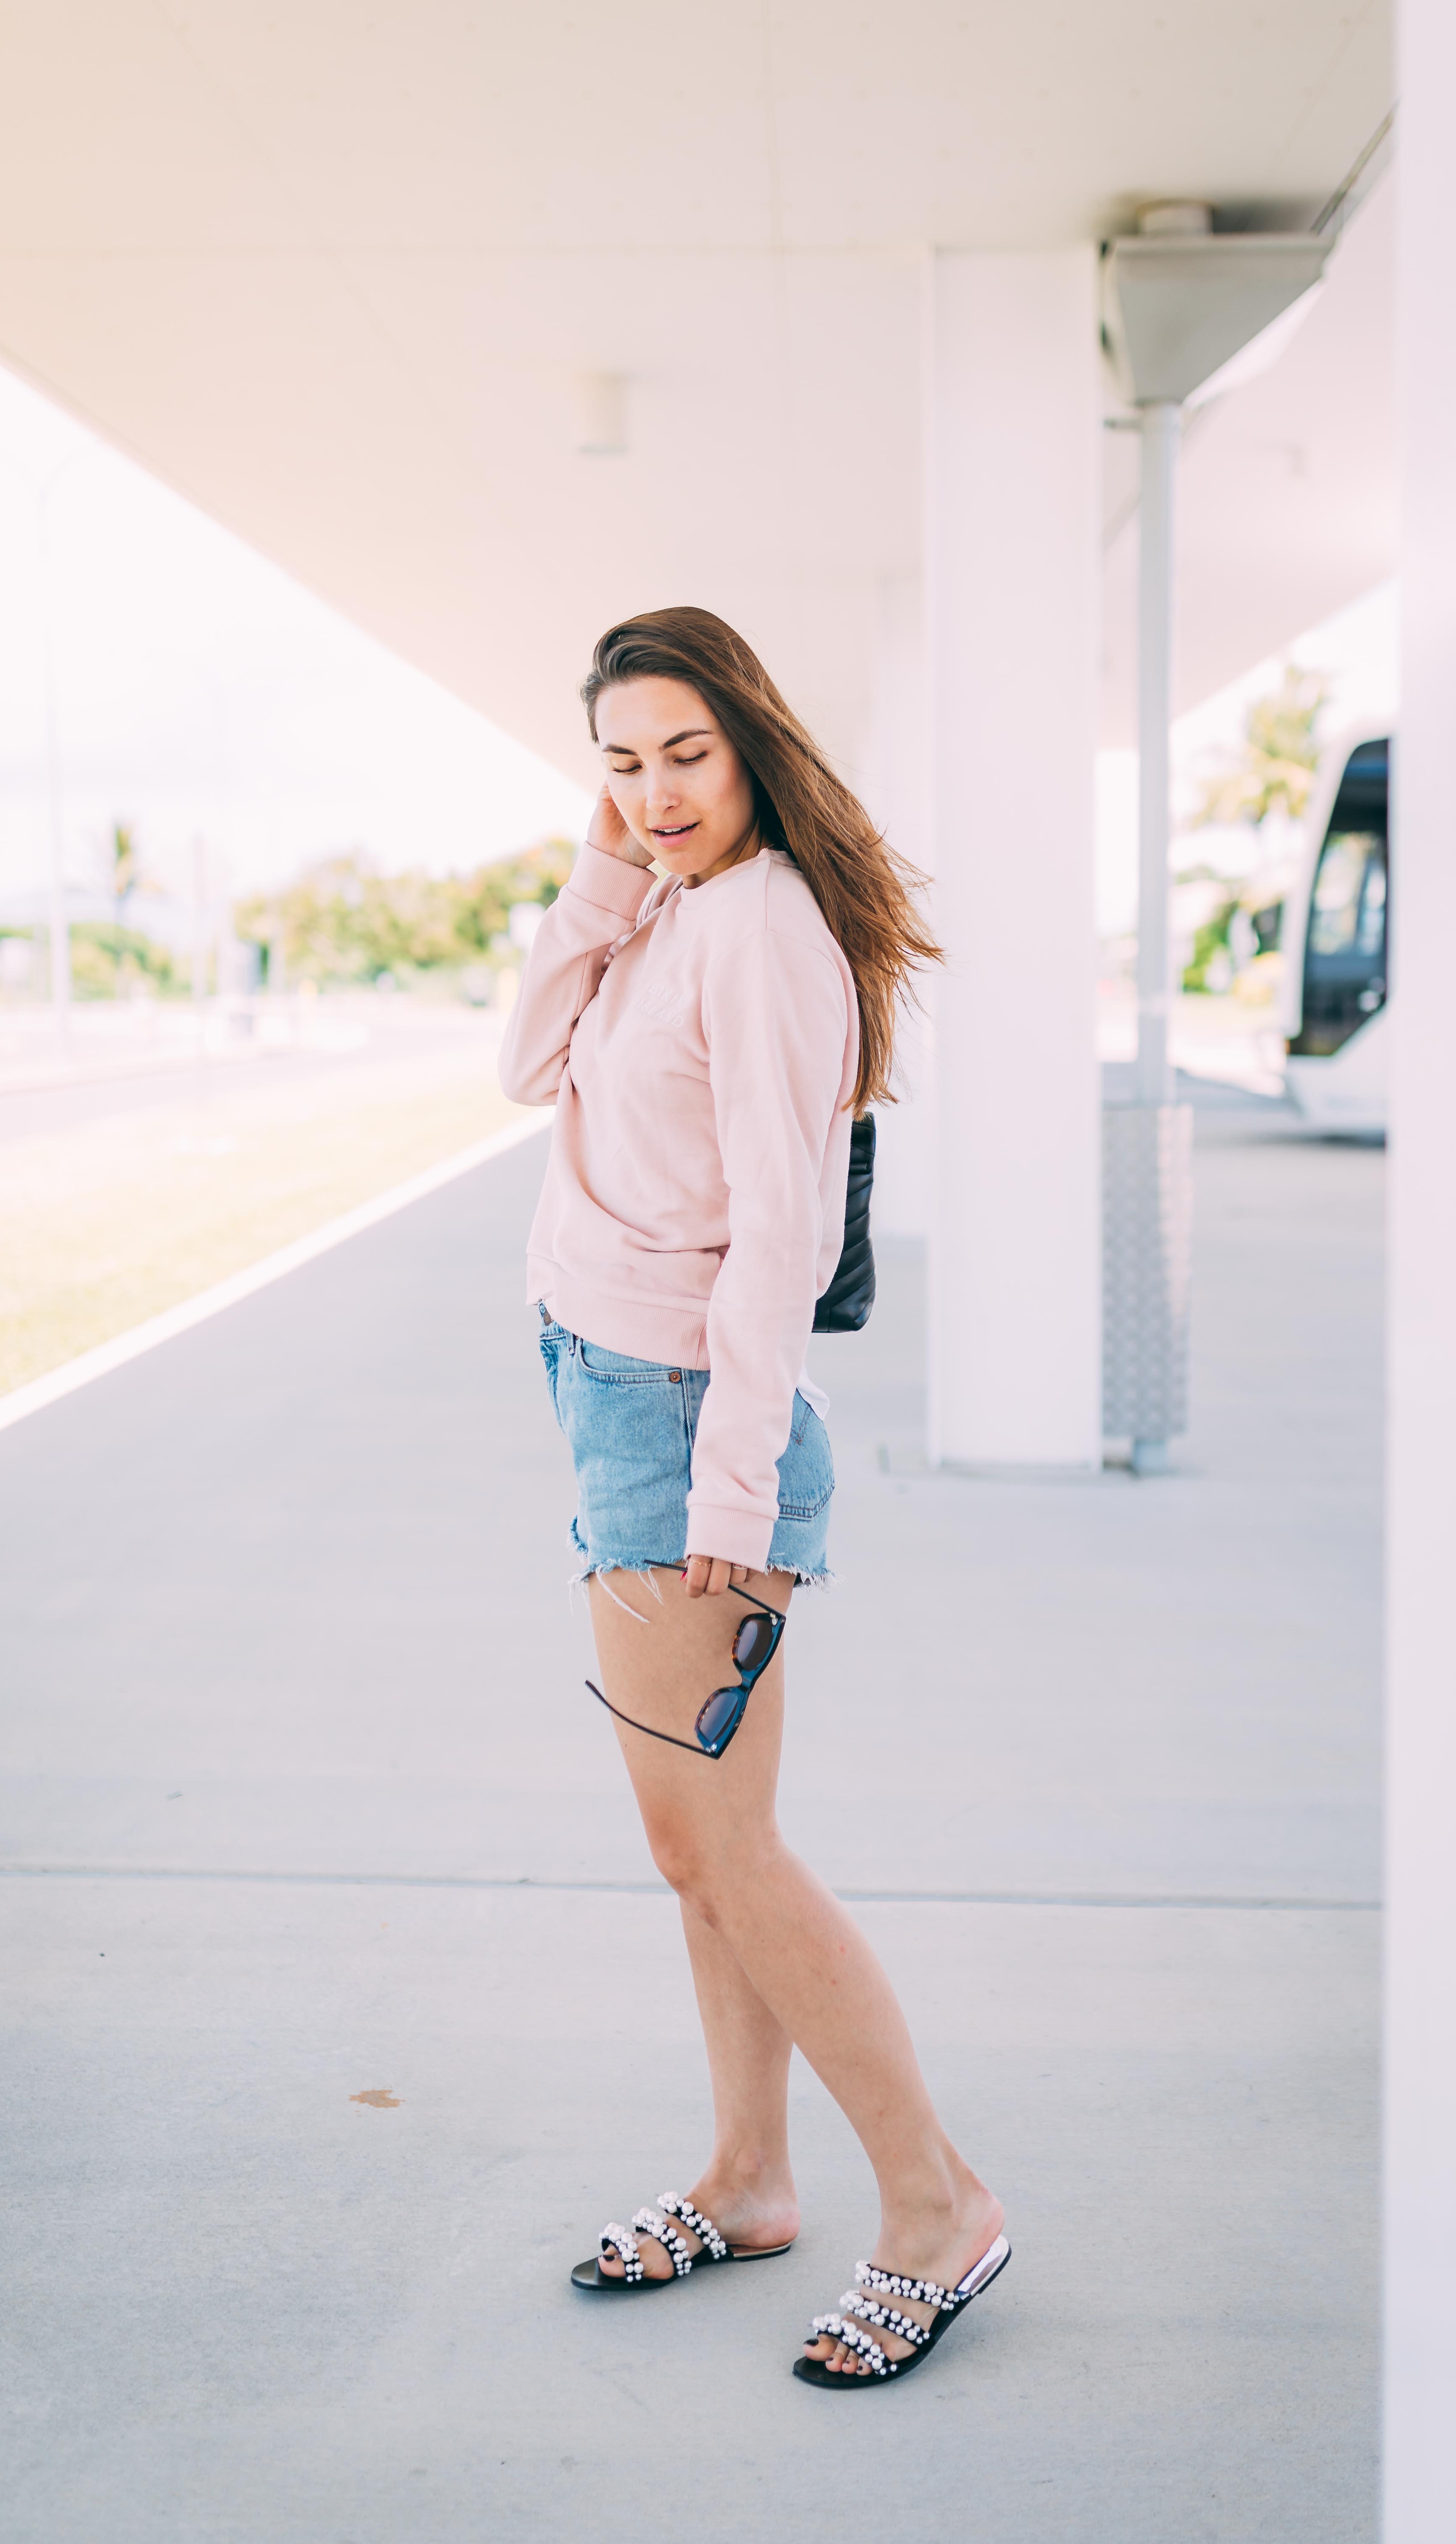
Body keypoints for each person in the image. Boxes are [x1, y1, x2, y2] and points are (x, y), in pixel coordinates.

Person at [499, 607, 1008, 2387]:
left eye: (683, 755)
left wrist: (729, 1480)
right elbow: (519, 1065)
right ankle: (750, 2177)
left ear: (751, 741)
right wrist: (602, 878)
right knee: (692, 1846)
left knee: (728, 1847)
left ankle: (939, 2208)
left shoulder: (768, 929)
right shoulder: (665, 911)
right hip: (604, 1388)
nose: (652, 793)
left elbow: (784, 1226)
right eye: (620, 764)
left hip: (685, 1422)